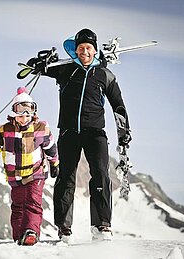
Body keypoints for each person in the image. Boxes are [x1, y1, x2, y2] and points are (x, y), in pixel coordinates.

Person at [26, 28, 132, 241]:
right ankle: (64, 227)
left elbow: (118, 107)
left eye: (88, 48)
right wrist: (41, 61)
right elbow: (35, 67)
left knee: (101, 175)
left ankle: (101, 225)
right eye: (81, 48)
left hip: (95, 133)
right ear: (76, 50)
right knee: (66, 178)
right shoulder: (65, 69)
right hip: (69, 132)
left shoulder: (105, 75)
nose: (84, 52)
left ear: (95, 50)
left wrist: (124, 133)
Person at [0, 87, 59, 246]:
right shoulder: (4, 130)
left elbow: (51, 147)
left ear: (33, 114)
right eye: (20, 115)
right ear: (14, 113)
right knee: (18, 206)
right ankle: (19, 234)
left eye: (27, 115)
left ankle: (31, 232)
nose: (24, 119)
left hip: (36, 173)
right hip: (15, 176)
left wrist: (54, 162)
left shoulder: (41, 128)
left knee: (33, 202)